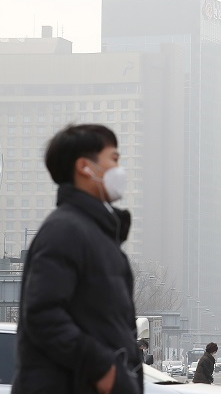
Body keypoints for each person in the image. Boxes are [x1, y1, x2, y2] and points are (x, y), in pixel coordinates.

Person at [12, 124, 142, 394]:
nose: (120, 170)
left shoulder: (97, 234)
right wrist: (103, 369)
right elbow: (43, 315)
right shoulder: (65, 230)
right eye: (114, 159)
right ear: (85, 167)